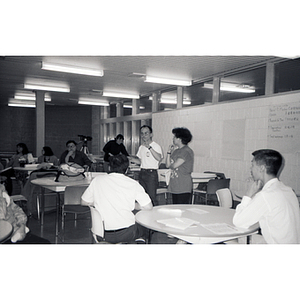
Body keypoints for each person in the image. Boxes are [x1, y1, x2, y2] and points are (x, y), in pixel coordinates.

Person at [81, 154, 153, 244]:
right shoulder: (133, 184)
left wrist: (100, 202)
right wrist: (133, 205)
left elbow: (84, 202)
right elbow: (148, 206)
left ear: (109, 168)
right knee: (146, 228)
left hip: (102, 234)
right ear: (127, 169)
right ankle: (138, 242)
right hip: (127, 233)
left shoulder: (97, 180)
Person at [233, 149, 300, 244]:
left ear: (262, 168)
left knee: (232, 241)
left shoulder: (266, 195)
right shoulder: (288, 190)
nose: (250, 169)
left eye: (252, 165)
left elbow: (238, 221)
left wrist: (248, 195)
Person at [130, 125, 163, 206]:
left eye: (146, 133)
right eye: (142, 134)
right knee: (142, 196)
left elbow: (159, 158)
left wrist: (149, 147)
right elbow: (141, 161)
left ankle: (154, 214)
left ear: (151, 134)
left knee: (152, 197)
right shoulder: (141, 147)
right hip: (142, 172)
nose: (144, 136)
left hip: (151, 174)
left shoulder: (156, 146)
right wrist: (130, 160)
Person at [166, 127, 194, 204]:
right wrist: (168, 152)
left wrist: (171, 165)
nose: (173, 138)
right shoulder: (176, 151)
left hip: (183, 185)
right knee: (175, 208)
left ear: (179, 138)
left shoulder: (186, 151)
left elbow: (174, 165)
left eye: (174, 136)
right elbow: (168, 165)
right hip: (175, 184)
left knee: (182, 209)